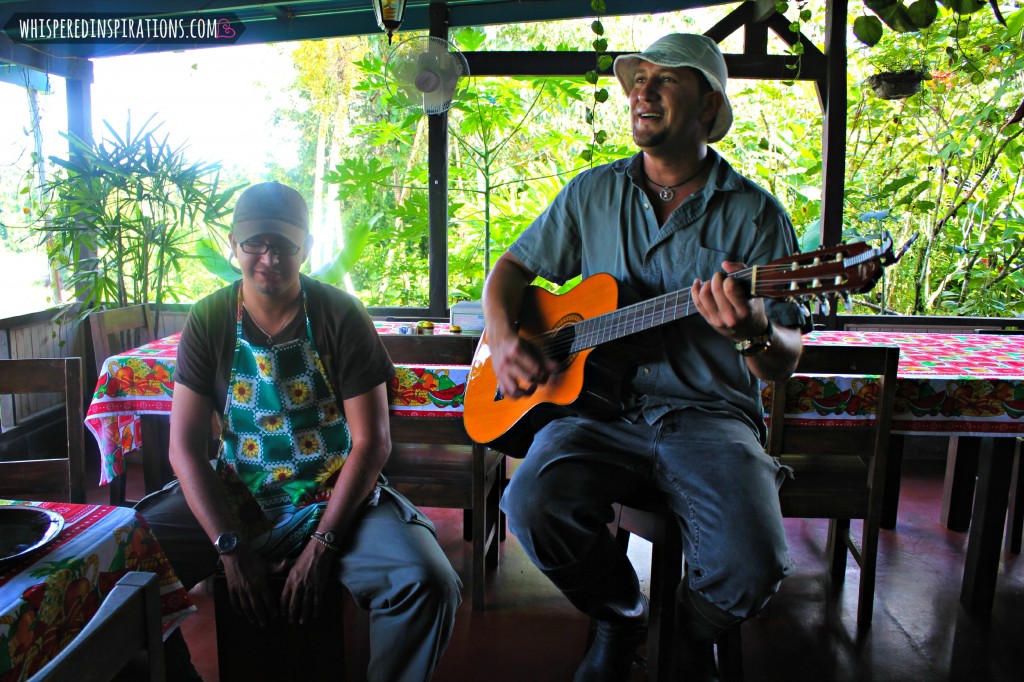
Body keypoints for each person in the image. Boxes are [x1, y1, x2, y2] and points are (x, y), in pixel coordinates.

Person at [483, 34, 810, 681]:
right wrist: (503, 337)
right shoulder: (591, 194)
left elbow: (786, 356)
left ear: (708, 105)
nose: (642, 89)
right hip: (600, 414)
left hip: (711, 417)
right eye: (639, 78)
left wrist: (749, 332)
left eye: (667, 80)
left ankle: (688, 633)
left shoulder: (756, 216)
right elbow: (512, 270)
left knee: (754, 563)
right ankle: (619, 614)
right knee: (528, 505)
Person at [138, 181, 461, 682]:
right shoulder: (209, 318)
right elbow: (184, 448)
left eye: (284, 244)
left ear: (305, 248)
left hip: (334, 496)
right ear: (234, 244)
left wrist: (325, 544)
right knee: (127, 564)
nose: (269, 256)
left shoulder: (339, 314)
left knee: (428, 583)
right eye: (255, 243)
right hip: (238, 493)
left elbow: (372, 442)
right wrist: (228, 546)